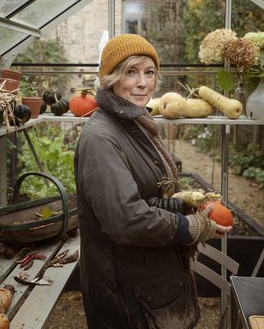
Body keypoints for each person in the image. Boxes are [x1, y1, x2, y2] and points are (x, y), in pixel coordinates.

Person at [74, 33, 232, 329]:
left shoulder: (134, 124)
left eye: (149, 72)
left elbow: (142, 196)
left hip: (147, 282)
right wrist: (189, 227)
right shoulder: (101, 138)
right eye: (130, 72)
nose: (143, 83)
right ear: (111, 78)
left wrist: (178, 203)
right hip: (125, 292)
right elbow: (126, 219)